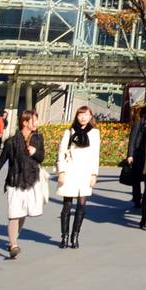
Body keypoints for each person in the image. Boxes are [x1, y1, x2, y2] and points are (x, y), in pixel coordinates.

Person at [0, 109, 47, 259]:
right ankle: (13, 244)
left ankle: (13, 239)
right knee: (14, 214)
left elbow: (41, 158)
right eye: (34, 120)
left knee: (22, 215)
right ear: (25, 122)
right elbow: (2, 160)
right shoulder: (12, 141)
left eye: (37, 120)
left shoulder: (38, 138)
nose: (36, 123)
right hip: (15, 180)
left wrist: (34, 152)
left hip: (31, 180)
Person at [55, 105, 100, 249]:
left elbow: (95, 154)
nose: (83, 117)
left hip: (85, 172)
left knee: (81, 205)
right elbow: (61, 151)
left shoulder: (94, 133)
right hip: (70, 170)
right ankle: (64, 236)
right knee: (67, 205)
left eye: (86, 114)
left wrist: (94, 174)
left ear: (90, 116)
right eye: (80, 114)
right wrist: (61, 171)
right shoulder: (69, 131)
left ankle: (75, 236)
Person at [122, 104, 146, 212]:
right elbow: (132, 139)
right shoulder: (139, 123)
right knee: (136, 178)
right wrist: (130, 155)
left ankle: (144, 199)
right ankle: (137, 199)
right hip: (138, 154)